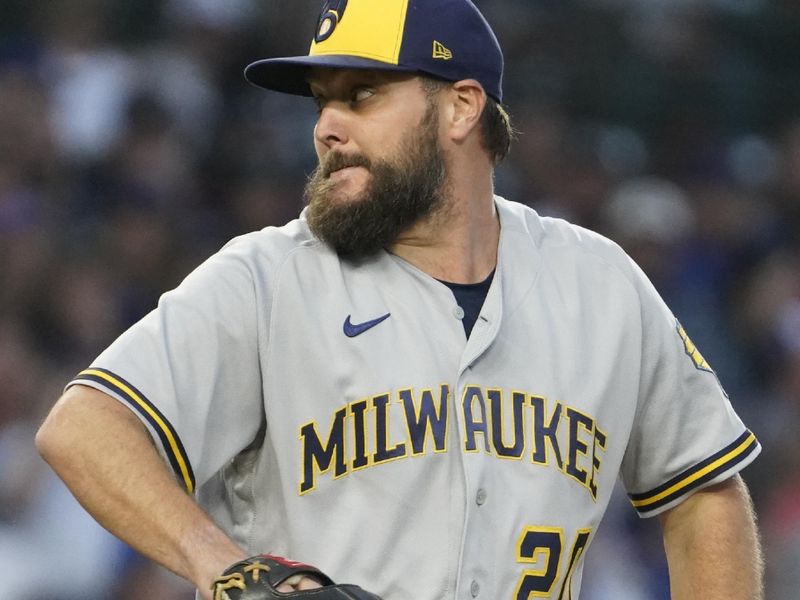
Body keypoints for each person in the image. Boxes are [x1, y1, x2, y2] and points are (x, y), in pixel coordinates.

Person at [36, 1, 764, 598]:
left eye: (363, 95)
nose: (327, 125)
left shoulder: (601, 285)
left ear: (461, 108)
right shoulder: (268, 277)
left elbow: (704, 494)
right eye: (323, 102)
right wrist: (225, 564)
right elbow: (84, 428)